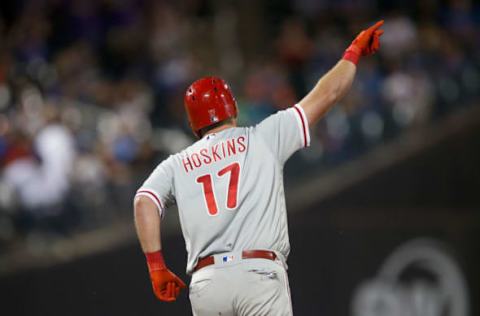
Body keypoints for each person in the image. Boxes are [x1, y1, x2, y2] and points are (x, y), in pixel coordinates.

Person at [133, 20, 384, 315]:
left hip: (207, 284)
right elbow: (328, 94)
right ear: (233, 109)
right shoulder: (263, 137)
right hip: (258, 273)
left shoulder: (176, 164)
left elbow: (144, 202)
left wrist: (156, 267)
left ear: (193, 123)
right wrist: (353, 52)